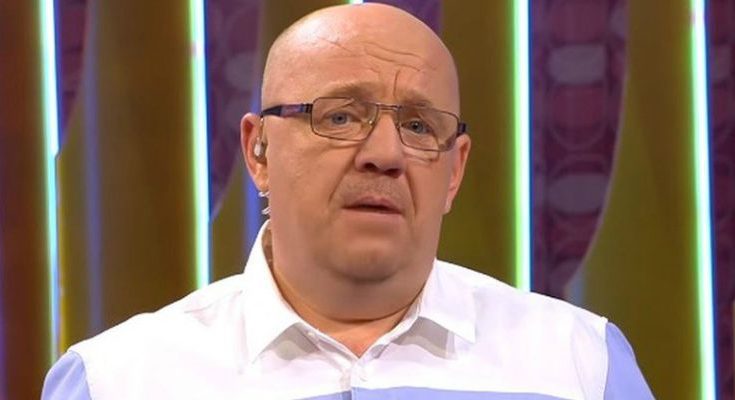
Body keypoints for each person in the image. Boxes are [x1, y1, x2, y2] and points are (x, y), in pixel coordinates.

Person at [42, 3, 653, 399]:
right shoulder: (119, 378)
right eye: (339, 116)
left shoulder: (578, 364)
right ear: (258, 151)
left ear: (455, 171)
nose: (385, 154)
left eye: (419, 126)